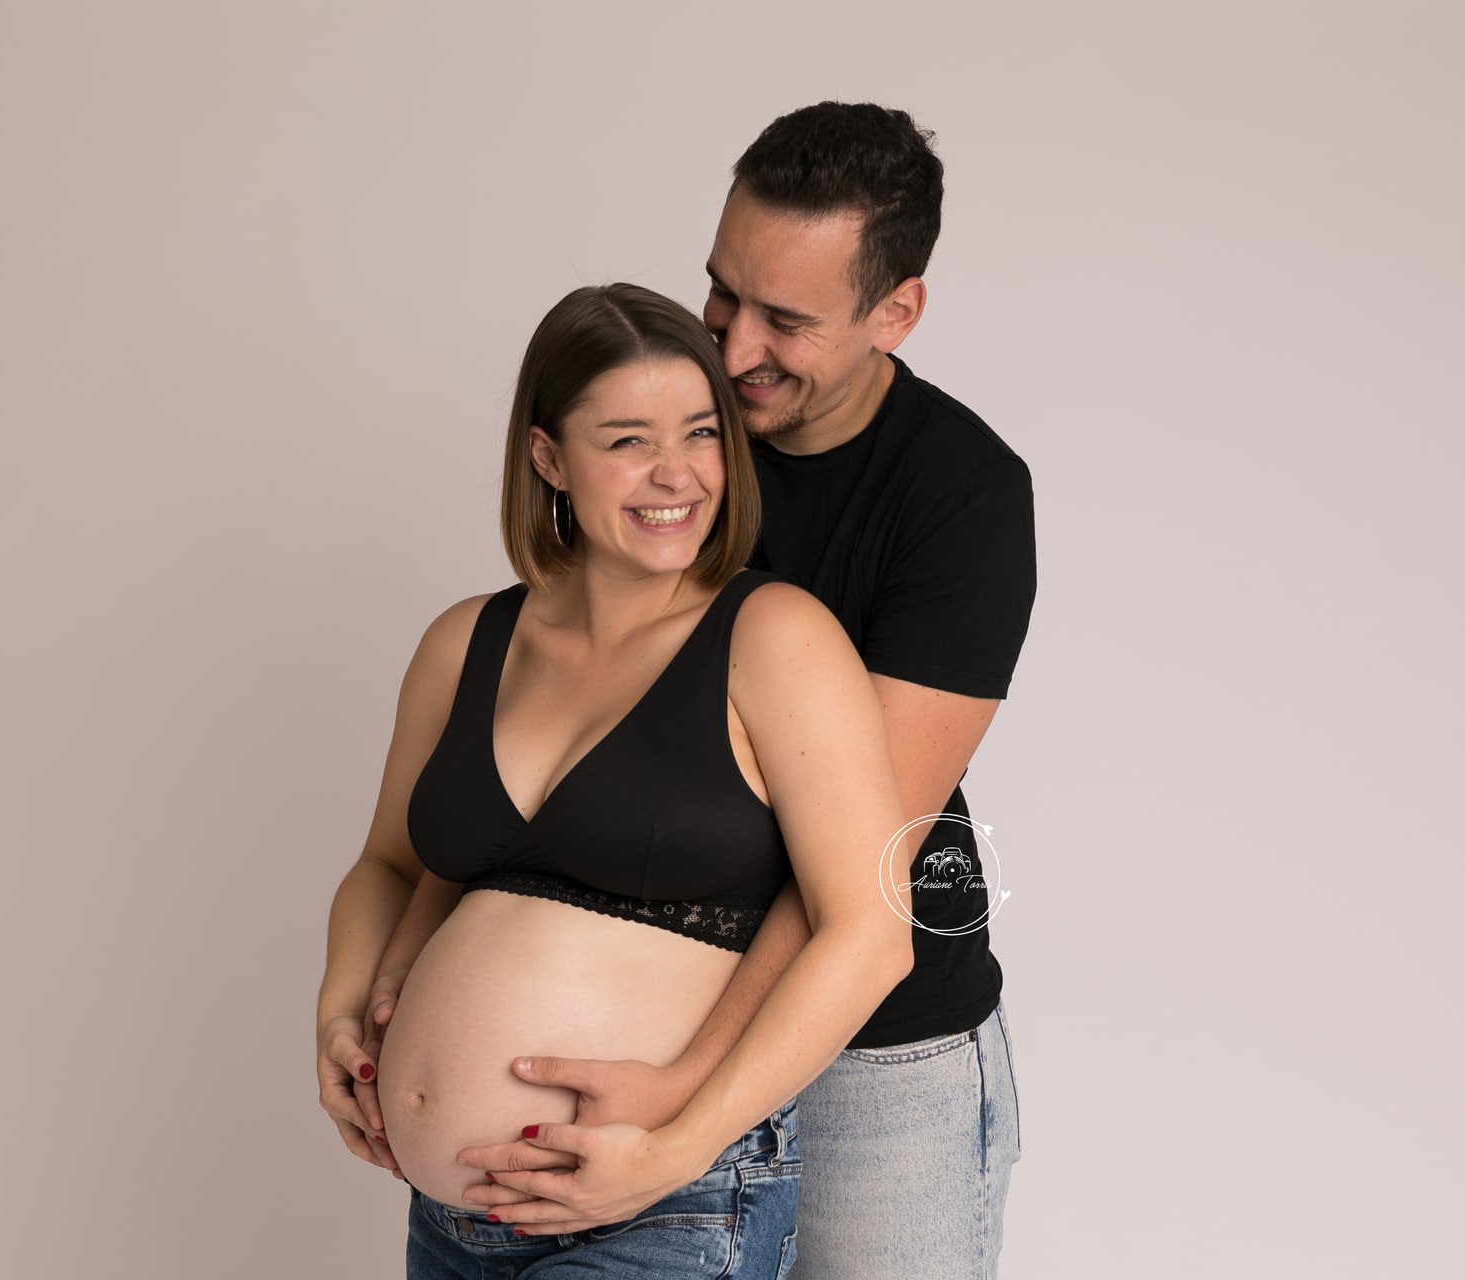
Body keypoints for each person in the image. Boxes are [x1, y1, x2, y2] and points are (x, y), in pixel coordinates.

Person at [404, 103, 1037, 1280]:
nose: (735, 347)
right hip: (657, 1059)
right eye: (721, 293)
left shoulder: (961, 495)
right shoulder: (689, 436)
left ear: (895, 311)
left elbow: (849, 869)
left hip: (876, 1058)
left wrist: (687, 1105)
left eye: (786, 322)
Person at [314, 282, 915, 1277]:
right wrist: (340, 1011)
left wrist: (676, 1146)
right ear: (549, 455)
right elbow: (385, 862)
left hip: (658, 1206)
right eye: (628, 439)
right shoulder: (466, 642)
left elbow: (870, 932)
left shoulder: (773, 638)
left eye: (700, 433)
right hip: (449, 1223)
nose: (675, 472)